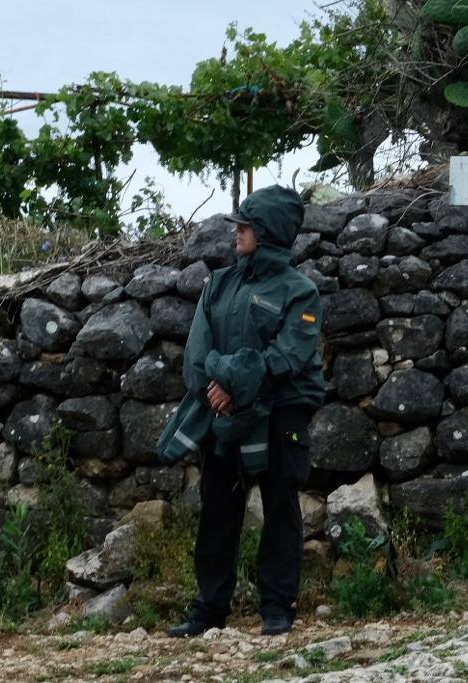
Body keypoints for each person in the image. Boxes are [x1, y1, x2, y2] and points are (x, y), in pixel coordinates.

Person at [161, 185, 325, 637]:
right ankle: (209, 610)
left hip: (280, 414)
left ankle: (277, 607)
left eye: (246, 226)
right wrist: (221, 384)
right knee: (218, 508)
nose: (237, 233)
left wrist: (233, 385)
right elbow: (198, 353)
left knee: (280, 506)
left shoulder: (301, 292)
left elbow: (287, 357)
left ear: (267, 232)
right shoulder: (219, 283)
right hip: (222, 412)